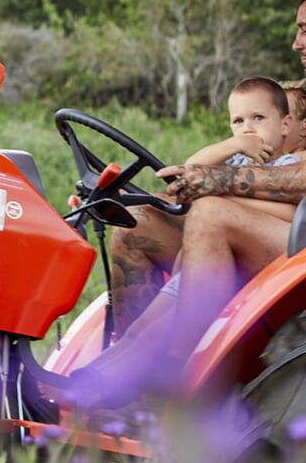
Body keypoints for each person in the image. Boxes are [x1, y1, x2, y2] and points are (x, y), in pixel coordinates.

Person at [67, 77, 299, 399]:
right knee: (137, 335)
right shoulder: (237, 159)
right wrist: (234, 146)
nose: (248, 129)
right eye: (238, 121)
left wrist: (218, 197)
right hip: (195, 265)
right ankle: (80, 389)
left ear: (287, 124)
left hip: (239, 266)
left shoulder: (292, 167)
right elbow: (193, 168)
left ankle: (171, 379)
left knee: (156, 337)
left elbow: (292, 214)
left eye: (258, 119)